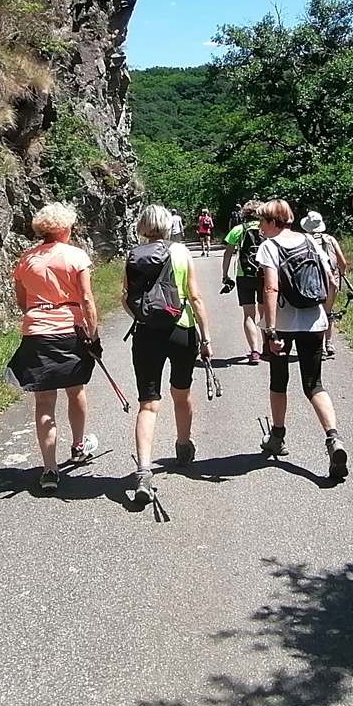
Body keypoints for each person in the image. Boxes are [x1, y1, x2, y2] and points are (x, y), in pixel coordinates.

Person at [6, 202, 102, 493]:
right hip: (69, 331)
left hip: (37, 332)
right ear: (64, 229)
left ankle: (49, 469)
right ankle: (78, 445)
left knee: (44, 402)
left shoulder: (26, 259)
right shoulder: (75, 256)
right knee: (76, 390)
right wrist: (93, 334)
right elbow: (86, 299)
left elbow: (22, 302)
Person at [122, 204, 212, 503]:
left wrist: (143, 316)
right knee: (181, 392)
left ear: (142, 226)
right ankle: (183, 446)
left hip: (147, 333)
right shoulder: (182, 253)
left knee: (148, 403)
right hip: (181, 329)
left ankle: (144, 470)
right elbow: (195, 297)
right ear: (168, 226)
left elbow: (126, 299)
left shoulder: (133, 255)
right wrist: (206, 336)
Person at [255, 199, 349, 480]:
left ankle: (277, 436)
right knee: (314, 384)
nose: (260, 227)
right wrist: (326, 312)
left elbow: (271, 288)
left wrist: (270, 330)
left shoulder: (269, 247)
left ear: (273, 222)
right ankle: (334, 440)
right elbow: (332, 280)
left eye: (262, 221)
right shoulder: (311, 242)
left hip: (283, 324)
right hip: (314, 321)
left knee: (278, 381)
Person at [300, 210, 349, 358]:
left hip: (312, 280)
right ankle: (329, 343)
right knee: (328, 312)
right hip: (332, 280)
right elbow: (343, 262)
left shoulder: (303, 239)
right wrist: (342, 273)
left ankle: (319, 346)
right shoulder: (330, 239)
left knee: (316, 312)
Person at [220, 200, 264, 364]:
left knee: (249, 314)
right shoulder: (266, 229)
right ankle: (267, 347)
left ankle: (254, 351)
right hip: (265, 275)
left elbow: (227, 254)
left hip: (244, 275)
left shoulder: (238, 230)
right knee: (265, 312)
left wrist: (225, 275)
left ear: (244, 214)